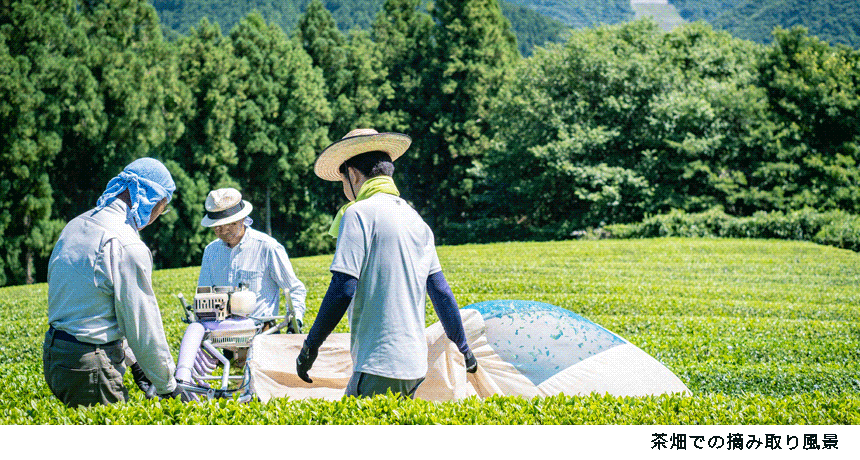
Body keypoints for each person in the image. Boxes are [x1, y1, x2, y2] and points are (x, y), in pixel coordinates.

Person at [296, 128, 478, 399]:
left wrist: (310, 347)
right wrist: (464, 348)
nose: (345, 189)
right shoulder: (416, 220)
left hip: (378, 363)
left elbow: (343, 287)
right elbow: (440, 290)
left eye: (343, 181)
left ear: (354, 175)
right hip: (415, 365)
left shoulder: (358, 214)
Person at [43, 157, 189, 407]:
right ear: (151, 199)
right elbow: (142, 325)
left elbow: (94, 307)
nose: (158, 216)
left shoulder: (76, 225)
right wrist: (168, 386)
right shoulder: (127, 244)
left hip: (56, 356)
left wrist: (134, 363)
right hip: (91, 366)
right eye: (162, 207)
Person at [198, 188, 307, 333]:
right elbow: (204, 294)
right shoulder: (211, 251)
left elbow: (294, 289)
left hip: (264, 333)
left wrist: (295, 320)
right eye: (215, 226)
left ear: (241, 219)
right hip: (225, 334)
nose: (220, 230)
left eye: (226, 224)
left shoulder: (267, 247)